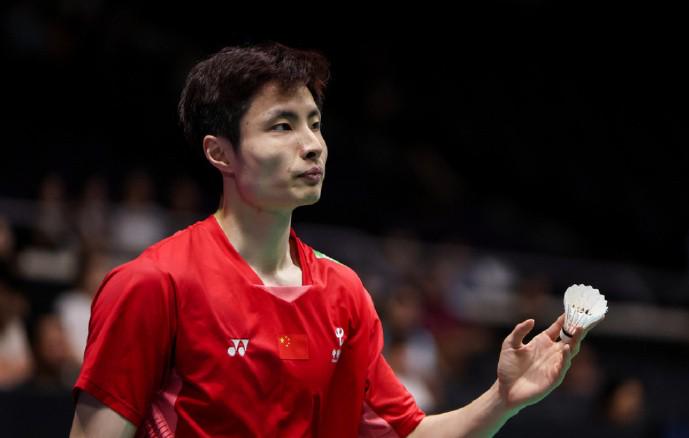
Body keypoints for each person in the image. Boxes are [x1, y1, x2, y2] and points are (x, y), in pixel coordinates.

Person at [70, 42, 589, 437]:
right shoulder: (154, 284)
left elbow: (409, 434)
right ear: (220, 153)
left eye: (314, 124)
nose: (312, 145)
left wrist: (503, 399)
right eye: (282, 126)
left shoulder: (343, 293)